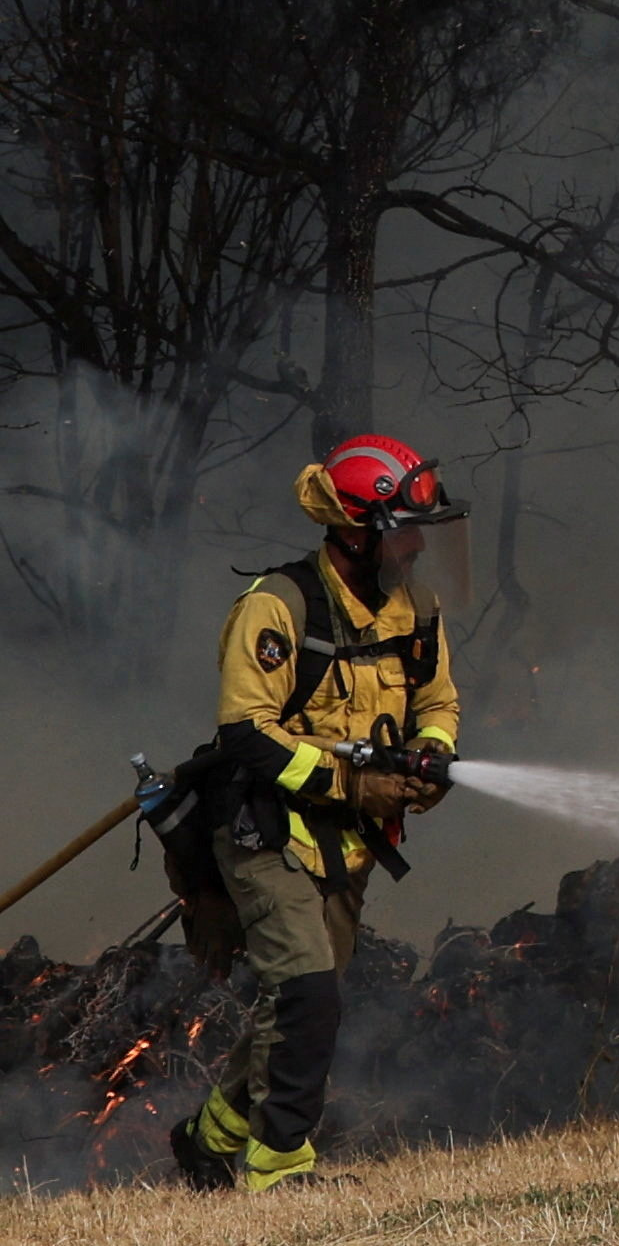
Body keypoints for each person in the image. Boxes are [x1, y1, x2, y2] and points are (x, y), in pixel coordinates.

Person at [171, 437, 466, 1192]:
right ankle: (280, 1169)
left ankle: (209, 1138)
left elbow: (437, 699)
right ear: (355, 529)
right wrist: (348, 783)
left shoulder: (417, 606)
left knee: (299, 1006)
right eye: (404, 527)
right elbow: (246, 729)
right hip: (265, 830)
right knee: (306, 990)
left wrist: (429, 757)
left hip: (348, 844)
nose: (417, 543)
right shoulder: (279, 605)